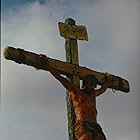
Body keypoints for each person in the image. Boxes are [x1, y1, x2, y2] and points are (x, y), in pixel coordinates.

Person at [40, 54, 115, 140]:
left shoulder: (93, 94)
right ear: (86, 84)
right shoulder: (77, 92)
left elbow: (102, 89)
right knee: (87, 137)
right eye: (91, 85)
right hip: (83, 124)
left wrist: (109, 82)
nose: (92, 88)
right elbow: (62, 79)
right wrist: (48, 66)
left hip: (95, 125)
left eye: (94, 86)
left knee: (101, 138)